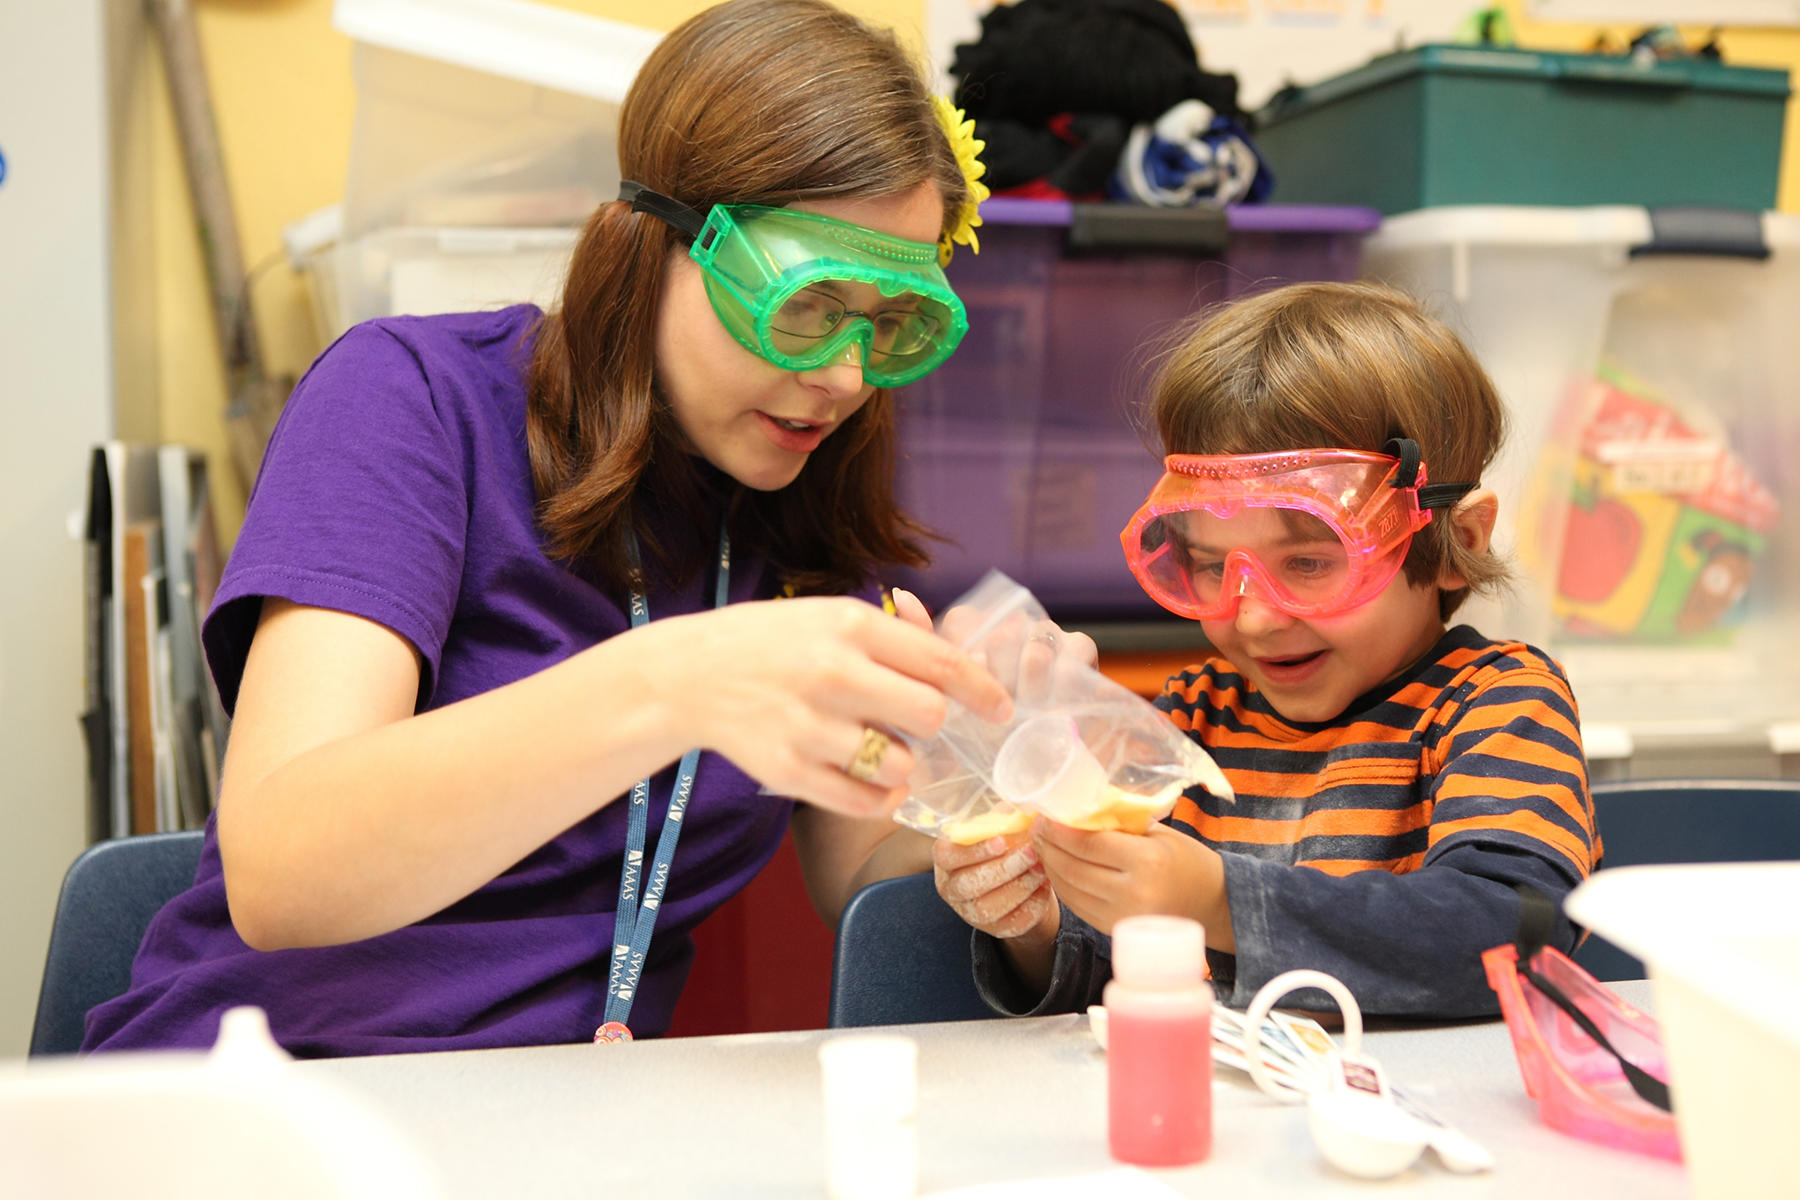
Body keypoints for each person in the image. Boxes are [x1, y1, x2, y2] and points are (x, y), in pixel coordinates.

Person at [83, 0, 1020, 1057]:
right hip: (274, 1093)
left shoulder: (799, 507)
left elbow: (861, 861)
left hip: (566, 1125)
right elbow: (283, 874)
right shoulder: (412, 400)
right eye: (806, 303)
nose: (844, 375)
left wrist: (989, 812)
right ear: (656, 242)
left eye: (893, 323)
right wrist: (673, 683)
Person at [933, 281, 1599, 1020]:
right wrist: (1037, 925)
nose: (1252, 617)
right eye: (1214, 565)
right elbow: (1128, 975)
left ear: (1458, 544)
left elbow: (1513, 935)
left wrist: (1217, 900)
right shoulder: (1198, 715)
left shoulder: (1497, 700)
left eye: (1309, 563)